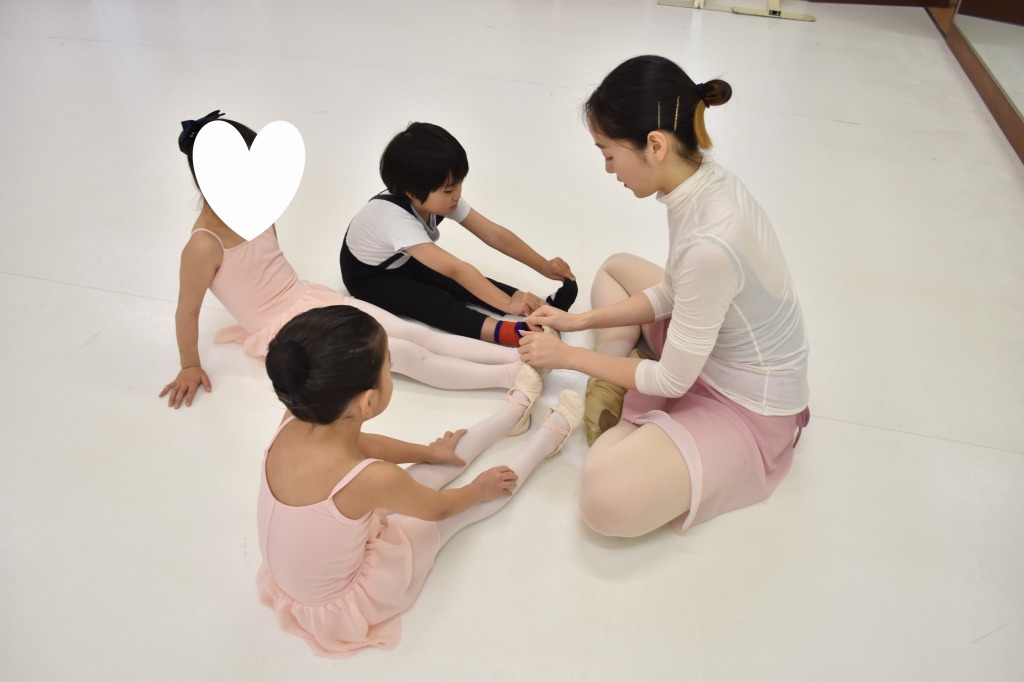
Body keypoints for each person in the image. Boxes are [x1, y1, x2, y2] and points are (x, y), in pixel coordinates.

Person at [518, 55, 810, 538]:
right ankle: (617, 378)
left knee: (604, 502)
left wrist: (566, 356)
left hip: (746, 403)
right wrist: (575, 322)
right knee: (615, 268)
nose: (607, 168)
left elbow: (674, 380)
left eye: (609, 153)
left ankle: (626, 398)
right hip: (707, 343)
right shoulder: (702, 181)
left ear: (654, 145)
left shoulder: (711, 244)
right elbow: (674, 291)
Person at [257, 305, 583, 657]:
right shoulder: (372, 479)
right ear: (368, 402)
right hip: (347, 597)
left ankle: (512, 413)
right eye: (389, 368)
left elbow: (363, 445)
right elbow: (440, 509)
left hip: (301, 569)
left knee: (425, 471)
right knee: (448, 512)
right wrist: (477, 489)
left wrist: (428, 452)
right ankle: (546, 440)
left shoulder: (296, 417)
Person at [159, 111, 525, 409]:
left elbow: (271, 267)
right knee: (402, 354)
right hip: (290, 333)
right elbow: (187, 311)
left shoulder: (258, 210)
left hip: (313, 299)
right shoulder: (204, 246)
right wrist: (190, 364)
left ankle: (518, 354)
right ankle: (512, 376)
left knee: (414, 333)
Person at [340, 121, 578, 348]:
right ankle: (511, 332)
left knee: (465, 283)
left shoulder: (437, 199)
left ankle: (539, 307)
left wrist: (542, 265)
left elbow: (492, 233)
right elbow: (455, 268)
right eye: (448, 190)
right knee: (433, 301)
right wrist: (507, 304)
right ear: (412, 192)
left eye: (458, 184)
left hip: (403, 261)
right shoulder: (395, 221)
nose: (457, 194)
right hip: (370, 278)